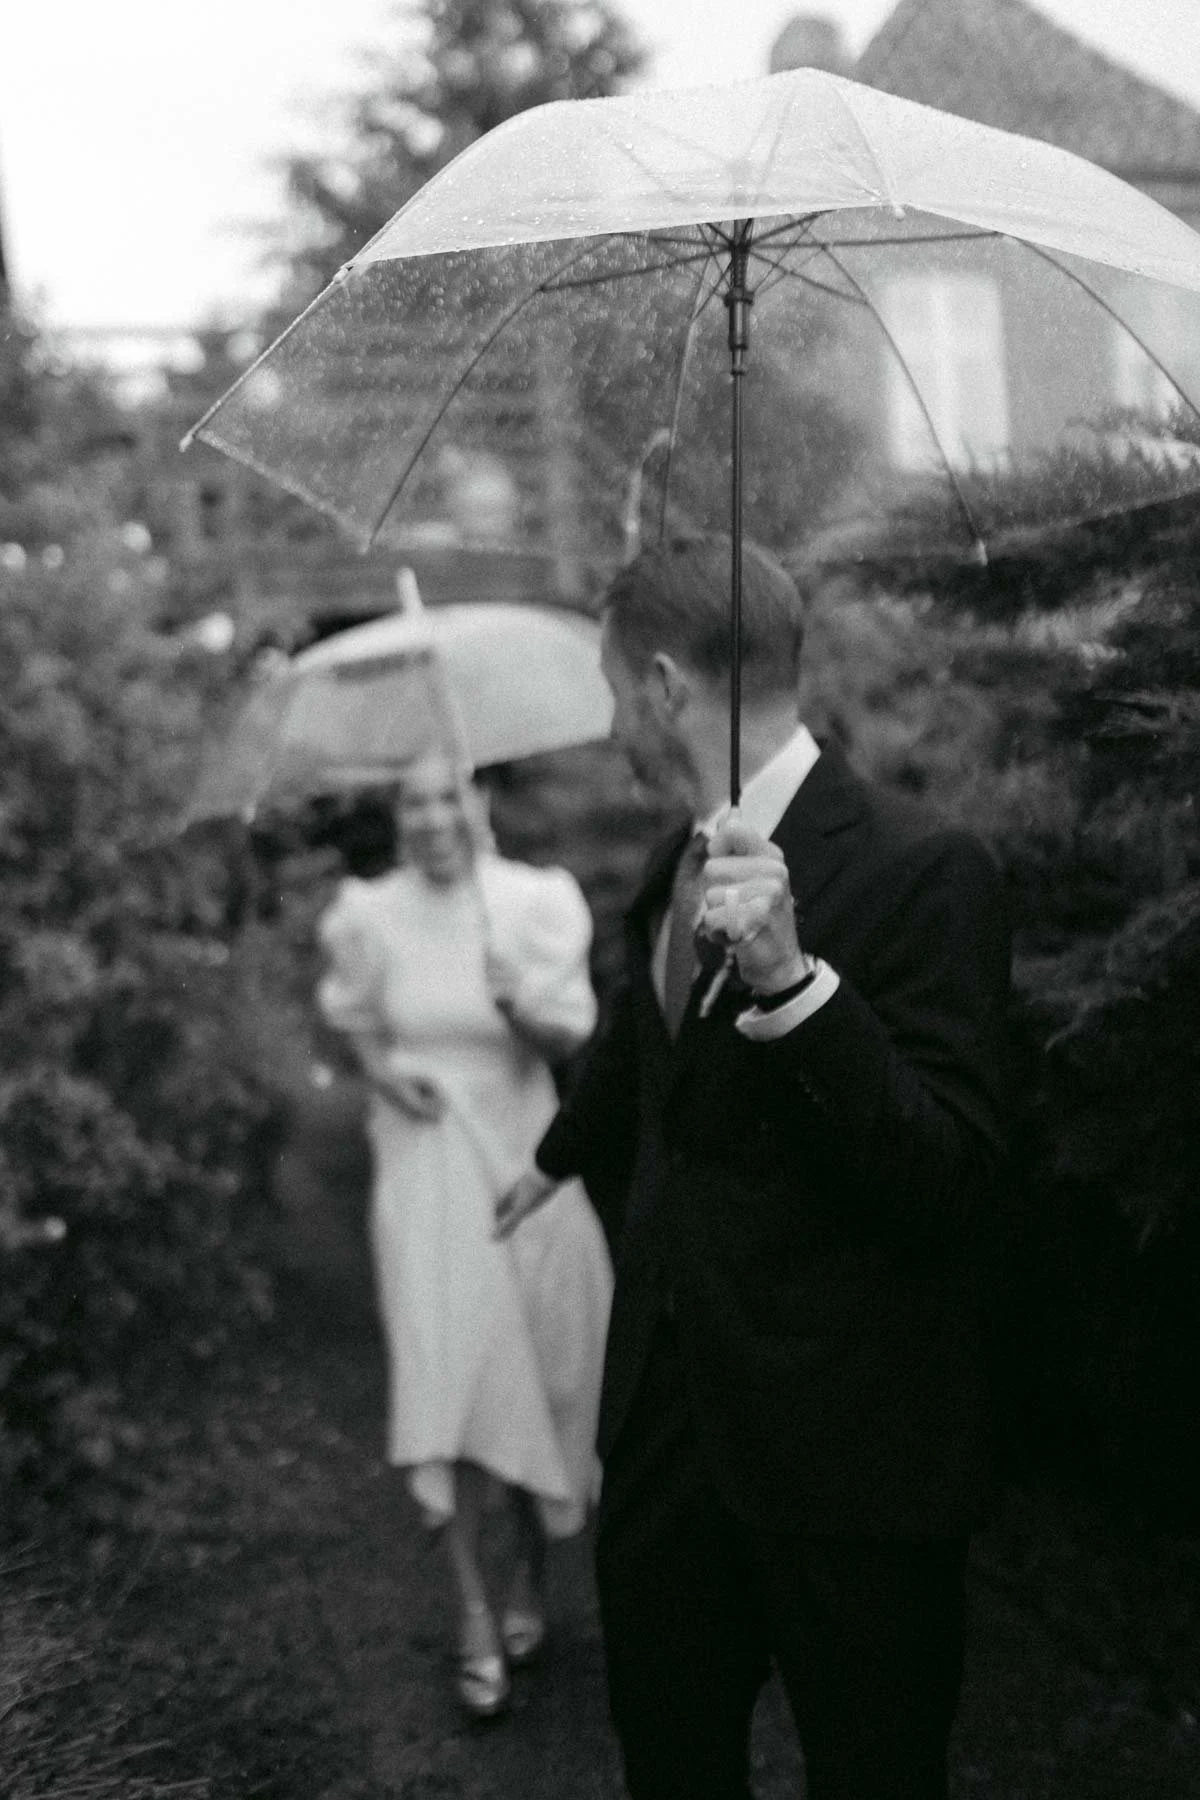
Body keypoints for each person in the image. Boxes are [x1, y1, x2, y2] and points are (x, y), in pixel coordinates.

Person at [496, 535, 1012, 1800]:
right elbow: (645, 1047)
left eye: (619, 690)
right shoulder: (670, 875)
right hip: (669, 1441)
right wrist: (554, 1157)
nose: (615, 723)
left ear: (670, 686)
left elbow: (950, 1179)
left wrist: (793, 984)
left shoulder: (924, 870)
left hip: (852, 1459)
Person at [317, 753, 612, 1720]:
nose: (433, 816)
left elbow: (576, 1042)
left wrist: (516, 1000)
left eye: (450, 796)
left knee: (543, 1372)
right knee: (454, 1373)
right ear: (396, 815)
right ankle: (473, 1614)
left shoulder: (532, 904)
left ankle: (530, 1578)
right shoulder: (370, 914)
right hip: (422, 1164)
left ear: (479, 805)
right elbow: (359, 1020)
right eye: (413, 799)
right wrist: (382, 1073)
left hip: (526, 1162)